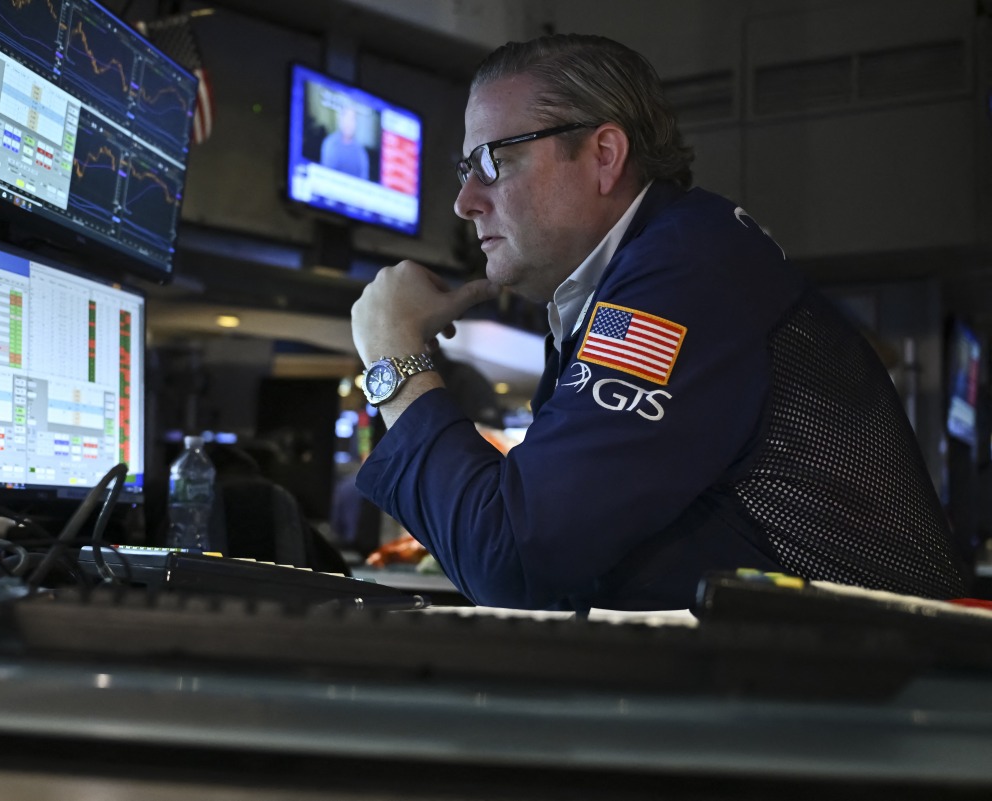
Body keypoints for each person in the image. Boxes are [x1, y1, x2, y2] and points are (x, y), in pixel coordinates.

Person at [349, 33, 969, 612]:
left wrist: (394, 353)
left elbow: (514, 558)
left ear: (604, 155)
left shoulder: (684, 272)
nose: (465, 202)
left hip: (864, 698)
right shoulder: (650, 271)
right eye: (465, 171)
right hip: (815, 682)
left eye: (492, 162)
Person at [320, 100, 370, 180]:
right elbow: (325, 176)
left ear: (356, 123)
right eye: (346, 117)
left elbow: (364, 181)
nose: (349, 123)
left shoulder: (361, 153)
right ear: (341, 119)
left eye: (352, 119)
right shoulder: (330, 144)